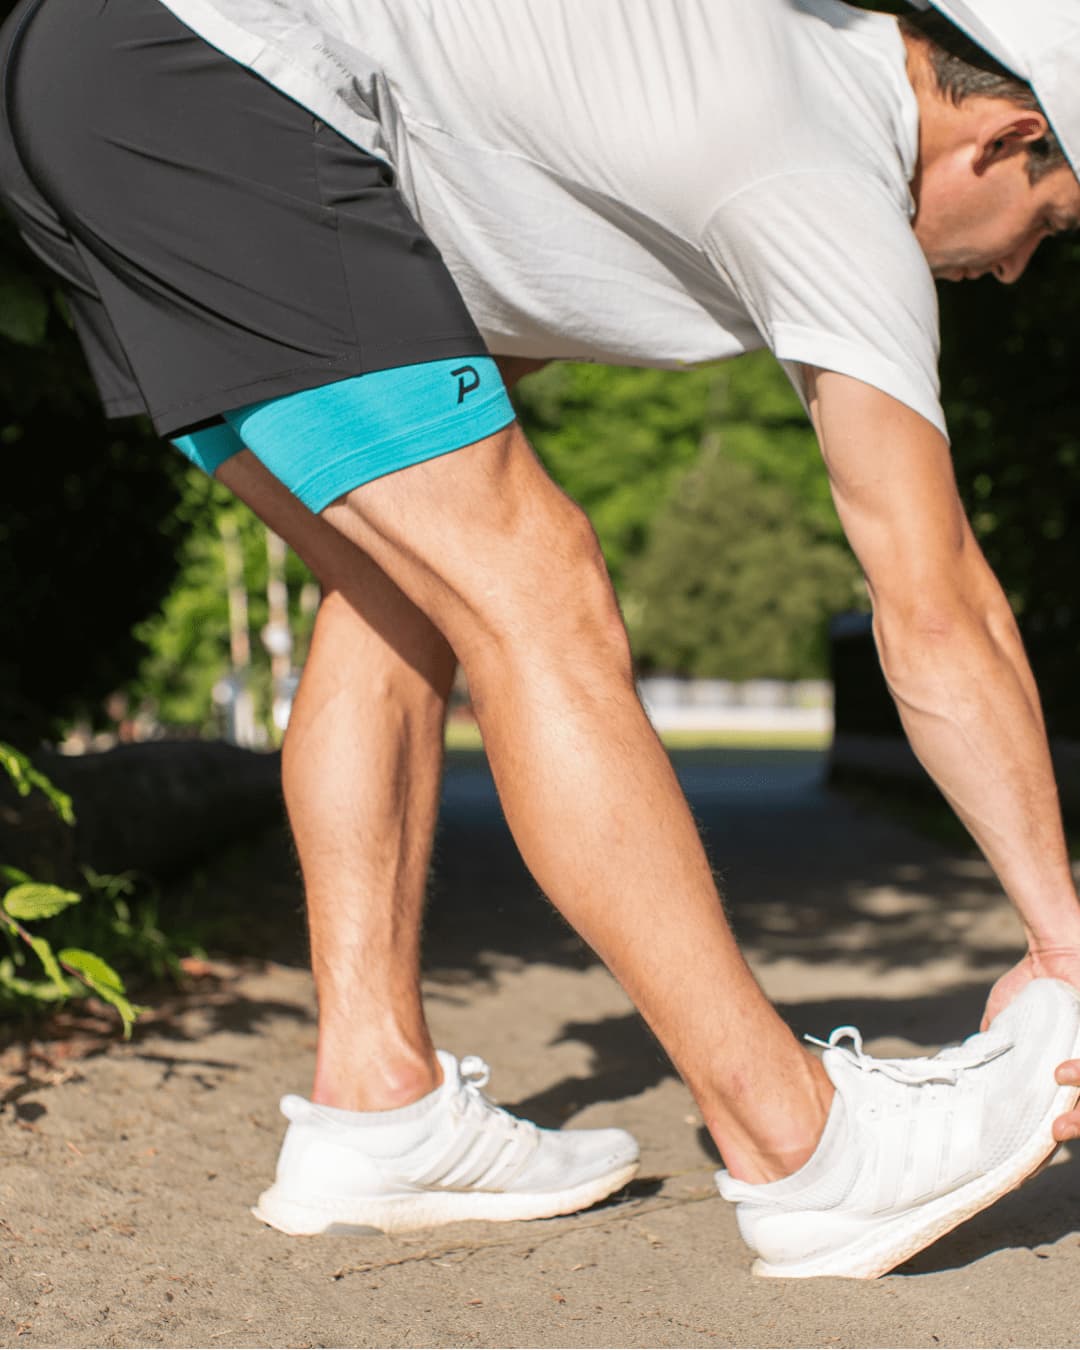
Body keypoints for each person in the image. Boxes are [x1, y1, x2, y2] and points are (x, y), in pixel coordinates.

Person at [1, 0, 1079, 1279]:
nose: (1015, 270)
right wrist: (1065, 937)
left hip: (91, 72)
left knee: (411, 582)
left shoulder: (687, 85)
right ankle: (799, 1140)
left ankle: (375, 1103)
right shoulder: (818, 163)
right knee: (543, 585)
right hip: (198, 71)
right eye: (1047, 227)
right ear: (1005, 134)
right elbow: (935, 595)